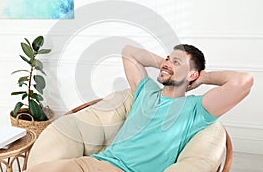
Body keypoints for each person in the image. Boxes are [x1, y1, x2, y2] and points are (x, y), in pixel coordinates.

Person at [25, 44, 253, 172]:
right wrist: (166, 65)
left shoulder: (196, 109)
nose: (166, 63)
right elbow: (128, 52)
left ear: (192, 74)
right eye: (167, 59)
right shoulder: (145, 92)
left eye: (176, 62)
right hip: (96, 163)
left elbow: (244, 81)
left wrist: (202, 78)